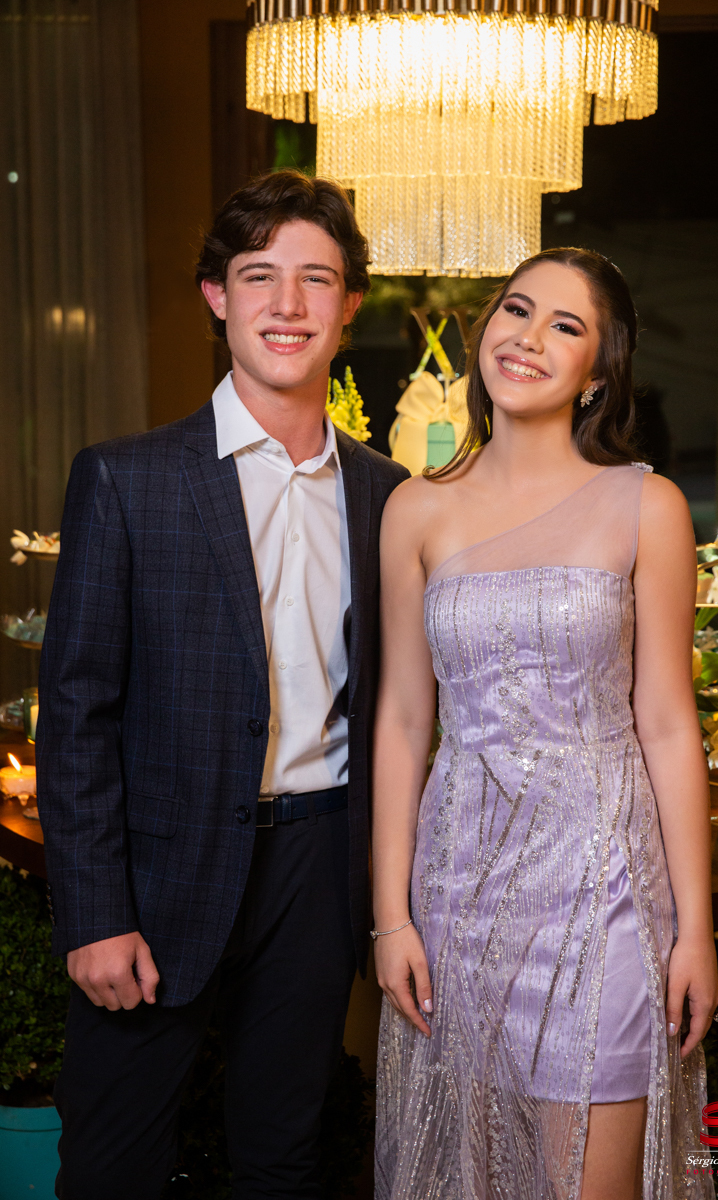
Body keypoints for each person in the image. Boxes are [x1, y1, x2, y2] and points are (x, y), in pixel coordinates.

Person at [36, 169, 407, 1199]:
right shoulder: (127, 478)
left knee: (282, 1161)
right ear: (217, 295)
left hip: (320, 870)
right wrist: (93, 913)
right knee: (111, 1167)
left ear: (348, 304)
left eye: (315, 279)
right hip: (156, 877)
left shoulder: (388, 497)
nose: (287, 305)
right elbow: (76, 714)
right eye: (258, 276)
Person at [371, 248, 718, 1200]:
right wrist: (391, 916)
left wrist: (695, 930)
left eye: (565, 326)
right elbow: (402, 721)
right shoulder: (415, 509)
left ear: (598, 372)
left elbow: (668, 724)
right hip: (460, 887)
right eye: (516, 310)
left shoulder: (648, 505)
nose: (527, 337)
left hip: (602, 885)